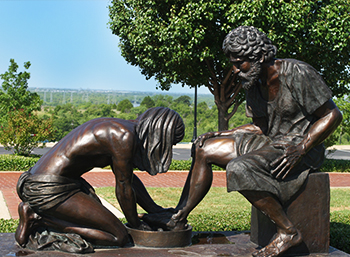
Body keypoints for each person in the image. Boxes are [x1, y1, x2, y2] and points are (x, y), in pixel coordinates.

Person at [143, 26, 342, 257]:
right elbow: (260, 127)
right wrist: (222, 134)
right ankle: (178, 217)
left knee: (239, 168)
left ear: (259, 57)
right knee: (204, 149)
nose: (235, 70)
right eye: (233, 64)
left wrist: (302, 147)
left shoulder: (297, 72)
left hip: (298, 148)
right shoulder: (253, 81)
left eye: (239, 63)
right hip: (270, 141)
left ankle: (288, 232)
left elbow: (332, 115)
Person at [15, 107, 184, 252]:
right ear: (160, 134)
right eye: (170, 143)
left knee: (105, 225)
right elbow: (124, 188)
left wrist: (155, 210)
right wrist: (136, 226)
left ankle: (41, 216)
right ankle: (38, 218)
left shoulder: (121, 128)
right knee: (118, 236)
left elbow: (129, 179)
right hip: (48, 188)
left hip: (51, 182)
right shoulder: (124, 136)